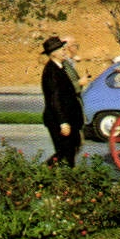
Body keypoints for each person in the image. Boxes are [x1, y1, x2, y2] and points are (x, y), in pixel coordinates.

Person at [40, 36, 84, 167]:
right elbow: (55, 99)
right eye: (61, 49)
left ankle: (51, 174)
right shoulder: (51, 71)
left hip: (69, 118)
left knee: (68, 152)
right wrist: (63, 123)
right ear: (53, 53)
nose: (65, 51)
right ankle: (41, 172)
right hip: (59, 120)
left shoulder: (60, 68)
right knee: (64, 154)